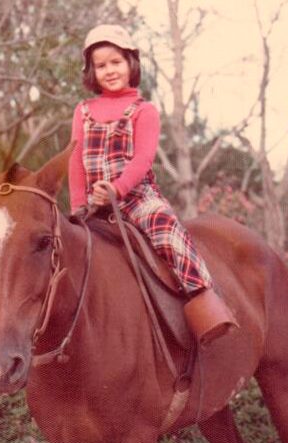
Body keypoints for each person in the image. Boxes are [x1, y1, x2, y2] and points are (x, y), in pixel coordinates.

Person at [68, 24, 239, 345]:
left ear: (131, 64)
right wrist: (79, 204)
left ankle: (203, 298)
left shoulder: (144, 110)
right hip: (93, 202)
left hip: (135, 198)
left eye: (116, 62)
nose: (109, 70)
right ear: (91, 72)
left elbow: (143, 159)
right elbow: (75, 160)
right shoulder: (84, 111)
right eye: (101, 65)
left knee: (167, 231)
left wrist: (117, 190)